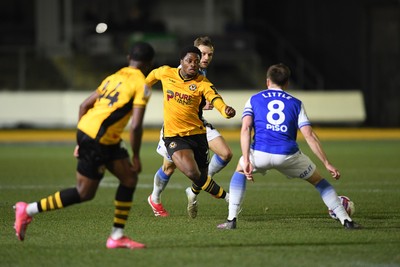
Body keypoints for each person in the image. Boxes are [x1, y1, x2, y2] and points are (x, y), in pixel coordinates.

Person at [13, 42, 155, 249]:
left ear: (128, 58)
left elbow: (84, 105)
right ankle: (28, 210)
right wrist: (136, 156)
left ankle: (117, 236)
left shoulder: (113, 77)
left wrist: (81, 140)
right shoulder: (142, 84)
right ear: (150, 64)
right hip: (99, 139)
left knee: (129, 178)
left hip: (96, 135)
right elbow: (135, 126)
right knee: (84, 193)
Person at [217, 63, 361, 230]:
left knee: (240, 170)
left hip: (260, 153)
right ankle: (346, 221)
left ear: (267, 81)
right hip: (288, 155)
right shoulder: (296, 103)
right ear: (286, 84)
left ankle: (231, 220)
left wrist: (247, 159)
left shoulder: (254, 99)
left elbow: (246, 128)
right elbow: (309, 135)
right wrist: (327, 163)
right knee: (319, 181)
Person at [145, 45, 236, 219]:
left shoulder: (202, 82)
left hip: (198, 133)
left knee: (201, 175)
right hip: (174, 134)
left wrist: (225, 110)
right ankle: (228, 198)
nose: (194, 64)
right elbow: (152, 76)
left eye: (196, 61)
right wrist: (142, 88)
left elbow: (214, 98)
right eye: (189, 61)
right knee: (187, 172)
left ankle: (196, 190)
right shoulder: (167, 73)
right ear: (181, 62)